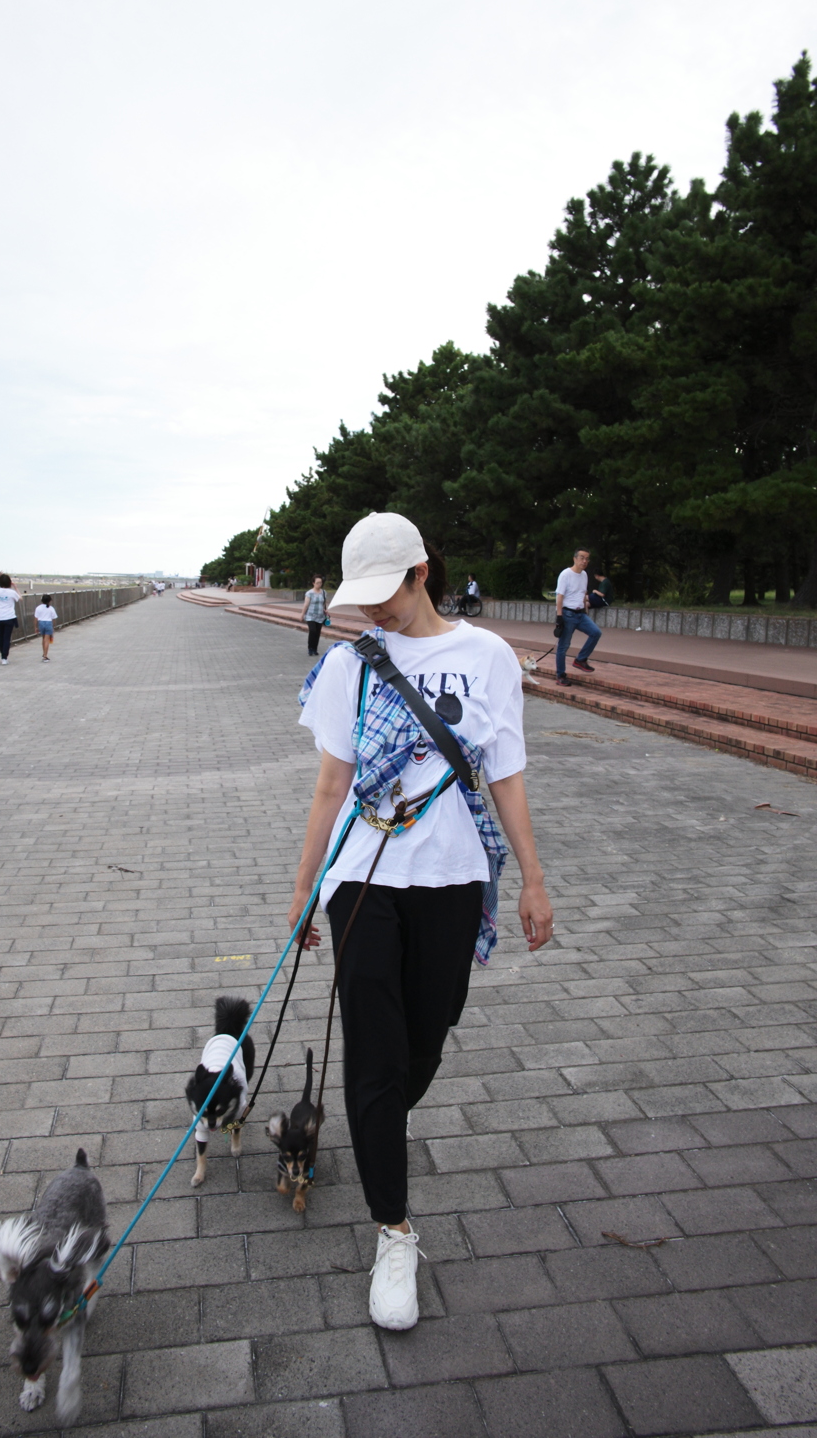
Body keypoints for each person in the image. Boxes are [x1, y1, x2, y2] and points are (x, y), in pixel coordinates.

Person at [291, 512, 553, 1333]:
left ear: (422, 573)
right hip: (363, 881)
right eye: (359, 598)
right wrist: (304, 890)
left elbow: (503, 773)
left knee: (426, 1039)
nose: (374, 612)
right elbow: (331, 788)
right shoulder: (348, 666)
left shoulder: (486, 659)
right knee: (374, 1054)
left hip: (451, 879)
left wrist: (534, 881)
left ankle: (379, 1119)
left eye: (387, 594)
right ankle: (394, 1230)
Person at [555, 547, 602, 684]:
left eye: (587, 558)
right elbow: (560, 596)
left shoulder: (584, 575)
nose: (584, 561)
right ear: (575, 558)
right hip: (567, 614)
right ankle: (560, 675)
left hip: (580, 613)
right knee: (563, 646)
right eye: (582, 558)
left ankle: (581, 659)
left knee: (595, 633)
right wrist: (559, 617)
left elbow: (583, 594)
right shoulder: (566, 574)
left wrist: (585, 610)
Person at [0, 572, 21, 663]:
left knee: (1, 637)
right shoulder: (11, 592)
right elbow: (20, 598)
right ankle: (4, 657)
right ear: (9, 582)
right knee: (7, 637)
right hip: (9, 617)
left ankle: (2, 655)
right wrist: (16, 587)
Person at [300, 576, 327, 657]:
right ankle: (310, 648)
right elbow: (306, 604)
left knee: (317, 633)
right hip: (310, 615)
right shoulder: (309, 593)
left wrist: (325, 610)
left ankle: (315, 649)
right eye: (317, 583)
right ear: (313, 583)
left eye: (320, 583)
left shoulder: (324, 592)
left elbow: (324, 603)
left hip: (320, 616)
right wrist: (302, 614)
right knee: (312, 631)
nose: (319, 584)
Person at [34, 594, 58, 661]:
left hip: (41, 623)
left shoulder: (38, 608)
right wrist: (53, 627)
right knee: (47, 640)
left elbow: (36, 618)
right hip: (48, 623)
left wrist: (35, 627)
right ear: (50, 601)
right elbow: (54, 618)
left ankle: (44, 653)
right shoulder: (51, 608)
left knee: (43, 638)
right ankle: (45, 656)